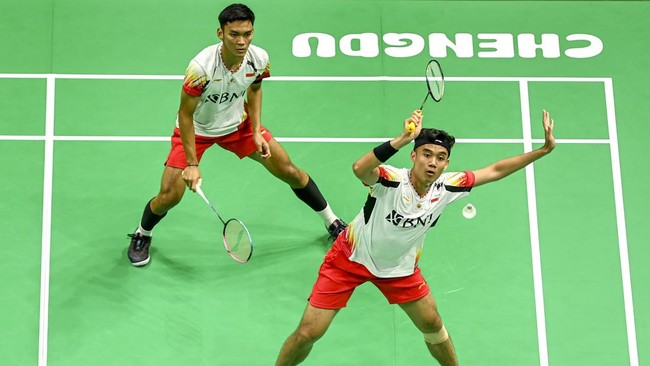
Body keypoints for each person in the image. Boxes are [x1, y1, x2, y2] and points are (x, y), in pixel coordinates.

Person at [275, 109, 556, 365]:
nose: (433, 163)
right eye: (427, 154)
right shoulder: (391, 179)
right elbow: (360, 169)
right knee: (309, 332)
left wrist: (541, 151)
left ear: (447, 164)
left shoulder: (449, 186)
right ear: (414, 156)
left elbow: (494, 170)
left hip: (400, 269)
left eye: (441, 157)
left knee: (433, 324)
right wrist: (399, 140)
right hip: (350, 258)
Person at [127, 3, 346, 267]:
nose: (242, 41)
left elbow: (255, 89)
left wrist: (255, 131)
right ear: (220, 33)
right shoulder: (200, 68)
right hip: (198, 130)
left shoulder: (259, 58)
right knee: (169, 195)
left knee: (289, 170)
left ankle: (332, 221)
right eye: (234, 35)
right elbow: (185, 115)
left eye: (247, 33)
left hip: (238, 126)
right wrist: (192, 164)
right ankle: (142, 234)